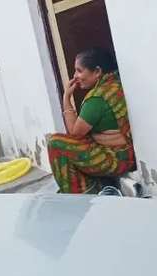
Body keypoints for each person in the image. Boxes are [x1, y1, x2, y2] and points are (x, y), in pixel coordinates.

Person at [47, 47, 134, 194]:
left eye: (79, 70)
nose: (75, 76)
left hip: (117, 159)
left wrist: (66, 98)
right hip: (126, 154)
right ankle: (93, 185)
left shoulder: (97, 98)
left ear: (97, 72)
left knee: (55, 143)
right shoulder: (115, 85)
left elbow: (75, 134)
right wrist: (99, 137)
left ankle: (83, 194)